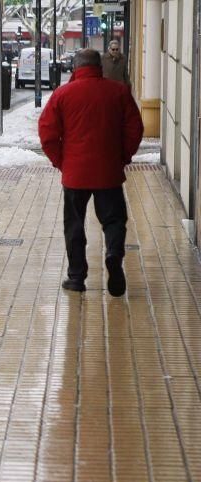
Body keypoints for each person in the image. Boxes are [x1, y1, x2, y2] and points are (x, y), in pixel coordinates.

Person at [38, 48, 143, 297]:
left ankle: (76, 277)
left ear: (76, 67)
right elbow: (135, 128)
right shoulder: (118, 92)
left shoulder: (62, 95)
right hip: (108, 171)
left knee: (74, 224)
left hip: (75, 173)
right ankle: (113, 255)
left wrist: (61, 162)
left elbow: (47, 133)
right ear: (100, 67)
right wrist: (123, 156)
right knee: (114, 220)